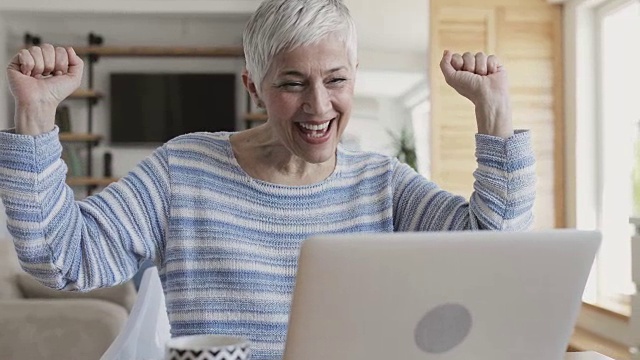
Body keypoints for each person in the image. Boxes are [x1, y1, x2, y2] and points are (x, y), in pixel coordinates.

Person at [1, 0, 535, 358]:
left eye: (336, 79)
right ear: (253, 85)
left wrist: (495, 114)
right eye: (292, 82)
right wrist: (35, 117)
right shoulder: (182, 170)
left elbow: (494, 252)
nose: (318, 105)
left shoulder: (384, 183)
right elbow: (61, 259)